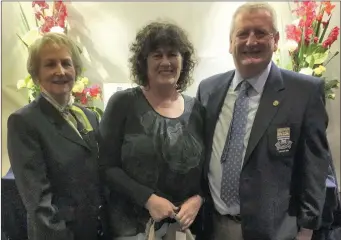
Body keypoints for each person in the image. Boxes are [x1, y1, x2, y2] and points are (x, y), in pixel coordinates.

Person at [196, 3, 330, 240]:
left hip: (275, 231)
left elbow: (315, 165)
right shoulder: (209, 90)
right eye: (243, 33)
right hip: (214, 226)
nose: (251, 42)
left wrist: (307, 229)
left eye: (260, 33)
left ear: (276, 40)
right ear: (230, 42)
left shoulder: (304, 92)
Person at [98, 21, 205, 239]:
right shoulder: (123, 104)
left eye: (172, 54)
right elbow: (105, 166)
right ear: (143, 62)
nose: (166, 62)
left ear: (183, 61)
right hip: (130, 228)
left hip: (184, 229)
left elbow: (209, 172)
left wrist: (199, 199)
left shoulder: (198, 110)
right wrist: (148, 199)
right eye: (157, 55)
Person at [7, 33, 108, 240]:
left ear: (76, 70)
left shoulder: (88, 115)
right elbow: (38, 201)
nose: (60, 71)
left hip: (93, 230)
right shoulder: (24, 121)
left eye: (66, 63)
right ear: (36, 75)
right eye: (50, 64)